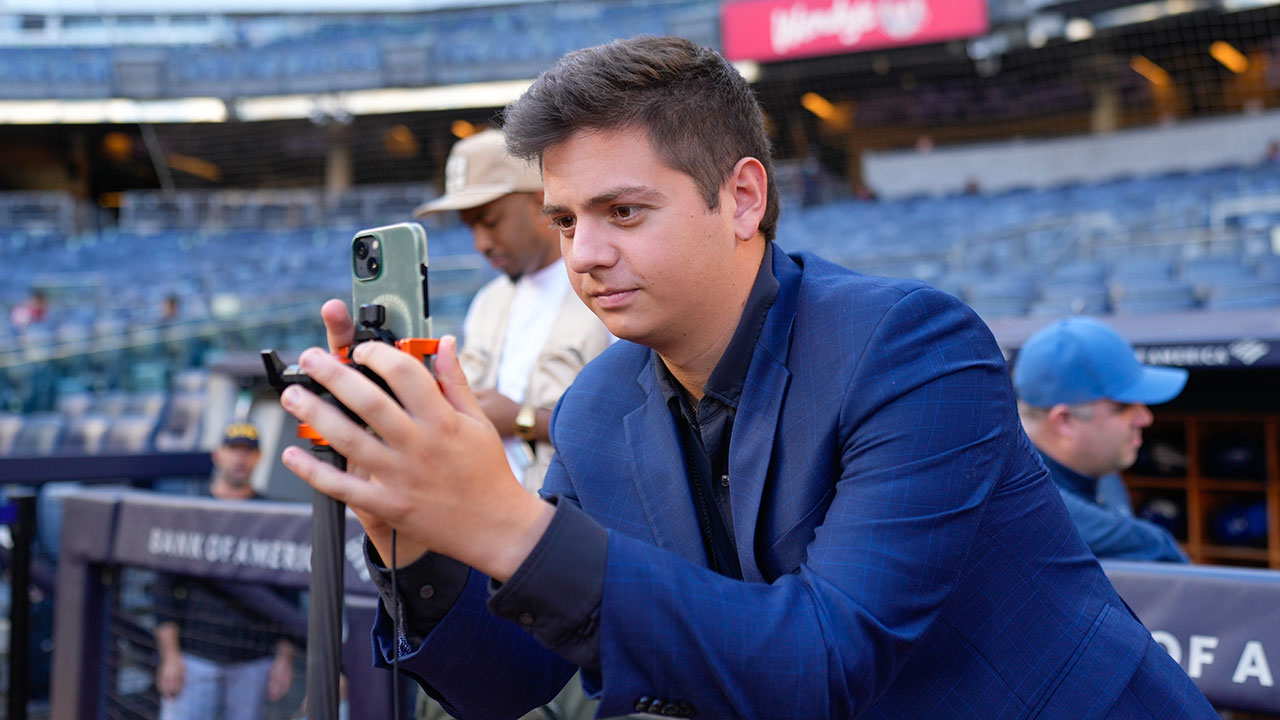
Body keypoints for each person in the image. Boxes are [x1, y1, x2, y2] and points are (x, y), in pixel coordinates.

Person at [278, 37, 1216, 718]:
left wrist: (504, 522)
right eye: (565, 221)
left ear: (743, 198)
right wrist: (409, 533)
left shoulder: (912, 344)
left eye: (624, 211)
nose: (587, 255)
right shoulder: (600, 407)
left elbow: (825, 661)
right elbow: (505, 683)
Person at [412, 128, 612, 495]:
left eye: (490, 222)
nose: (480, 244)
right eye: (469, 226)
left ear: (540, 205)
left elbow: (628, 434)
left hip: (574, 527)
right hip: (484, 517)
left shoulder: (609, 290)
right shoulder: (487, 301)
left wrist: (523, 421)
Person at [1013, 316, 1190, 563]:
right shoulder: (1008, 498)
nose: (1145, 418)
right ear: (1065, 421)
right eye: (1124, 406)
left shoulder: (1102, 472)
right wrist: (1157, 545)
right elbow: (1158, 551)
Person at [153, 423, 298, 720]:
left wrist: (284, 660)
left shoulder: (275, 517)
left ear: (259, 458)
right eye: (234, 450)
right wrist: (170, 657)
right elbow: (164, 590)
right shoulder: (191, 511)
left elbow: (290, 596)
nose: (240, 459)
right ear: (218, 455)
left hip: (254, 662)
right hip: (194, 659)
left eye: (248, 452)